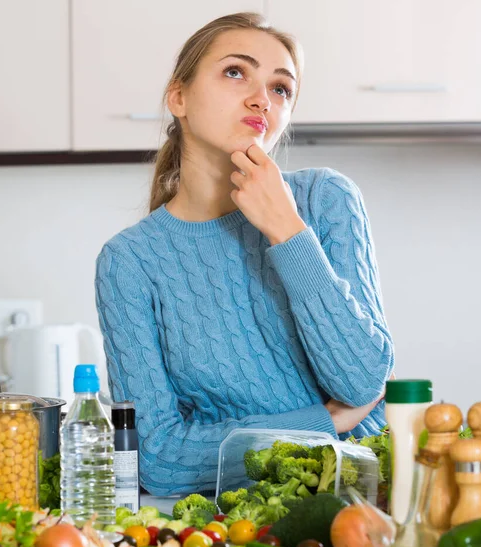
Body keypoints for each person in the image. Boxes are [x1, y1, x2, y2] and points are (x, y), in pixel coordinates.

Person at [95, 12, 394, 496]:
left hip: (361, 507)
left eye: (281, 89)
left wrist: (287, 229)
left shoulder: (323, 200)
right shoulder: (130, 262)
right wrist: (323, 422)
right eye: (236, 72)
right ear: (179, 97)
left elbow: (362, 382)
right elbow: (158, 458)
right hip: (228, 529)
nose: (262, 99)